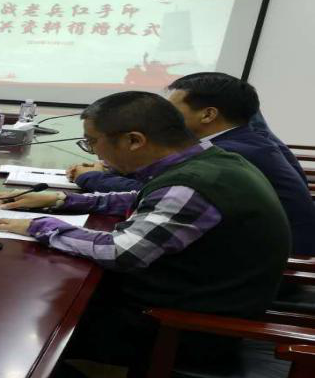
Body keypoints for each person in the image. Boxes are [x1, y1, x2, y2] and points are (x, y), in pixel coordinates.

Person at [0, 91, 290, 378]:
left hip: (189, 327)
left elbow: (123, 252)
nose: (94, 153)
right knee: (48, 301)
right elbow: (144, 201)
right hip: (201, 297)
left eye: (92, 142)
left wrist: (41, 226)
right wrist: (62, 200)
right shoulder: (212, 161)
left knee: (21, 337)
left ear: (134, 140)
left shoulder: (191, 185)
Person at [66, 73, 314, 255]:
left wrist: (91, 178)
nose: (164, 117)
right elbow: (157, 187)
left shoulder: (231, 152)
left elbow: (159, 192)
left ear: (208, 114)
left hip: (284, 265)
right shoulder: (243, 142)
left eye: (172, 110)